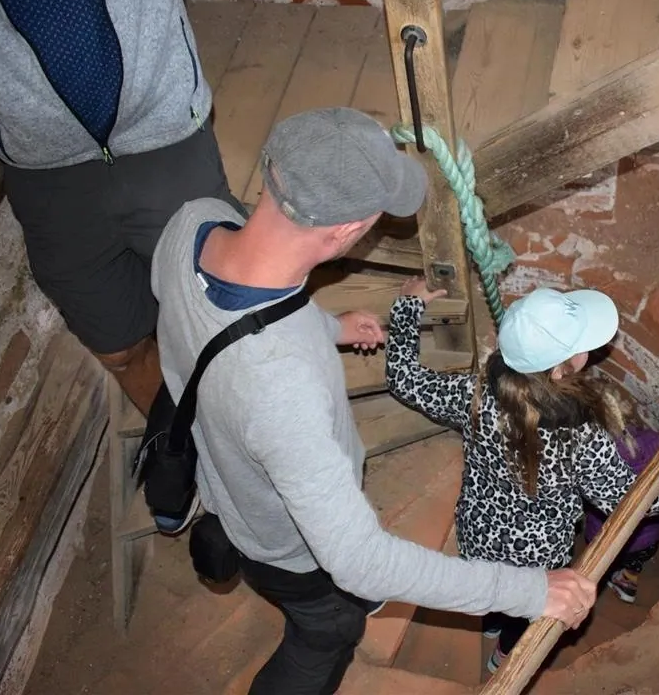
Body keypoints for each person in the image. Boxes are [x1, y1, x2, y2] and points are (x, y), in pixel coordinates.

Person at [150, 107, 597, 694]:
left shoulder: (192, 223)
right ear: (345, 232)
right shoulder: (282, 393)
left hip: (226, 470)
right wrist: (532, 590)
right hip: (292, 555)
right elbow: (361, 562)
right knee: (329, 633)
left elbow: (235, 308)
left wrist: (329, 328)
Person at [385, 284, 659, 673]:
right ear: (562, 366)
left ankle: (490, 624)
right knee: (525, 612)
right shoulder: (580, 435)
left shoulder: (474, 393)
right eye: (581, 344)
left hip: (478, 535)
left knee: (491, 594)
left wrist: (407, 305)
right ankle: (504, 656)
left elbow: (403, 378)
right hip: (539, 561)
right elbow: (631, 501)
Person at [0, 0, 244, 416]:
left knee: (228, 309)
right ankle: (177, 444)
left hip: (163, 133)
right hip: (43, 168)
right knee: (116, 345)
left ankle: (252, 446)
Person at [583, 424, 659, 604]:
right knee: (634, 562)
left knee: (604, 558)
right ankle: (628, 582)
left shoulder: (601, 466)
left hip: (609, 542)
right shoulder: (655, 445)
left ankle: (595, 581)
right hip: (649, 542)